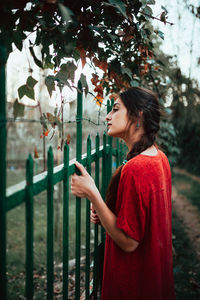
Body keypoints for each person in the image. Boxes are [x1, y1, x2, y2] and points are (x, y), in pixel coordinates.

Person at [71, 87, 175, 300]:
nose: (108, 116)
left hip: (134, 286)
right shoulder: (159, 158)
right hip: (155, 281)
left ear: (138, 116)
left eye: (115, 109)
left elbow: (129, 242)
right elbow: (143, 219)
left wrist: (93, 193)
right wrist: (108, 214)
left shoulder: (135, 169)